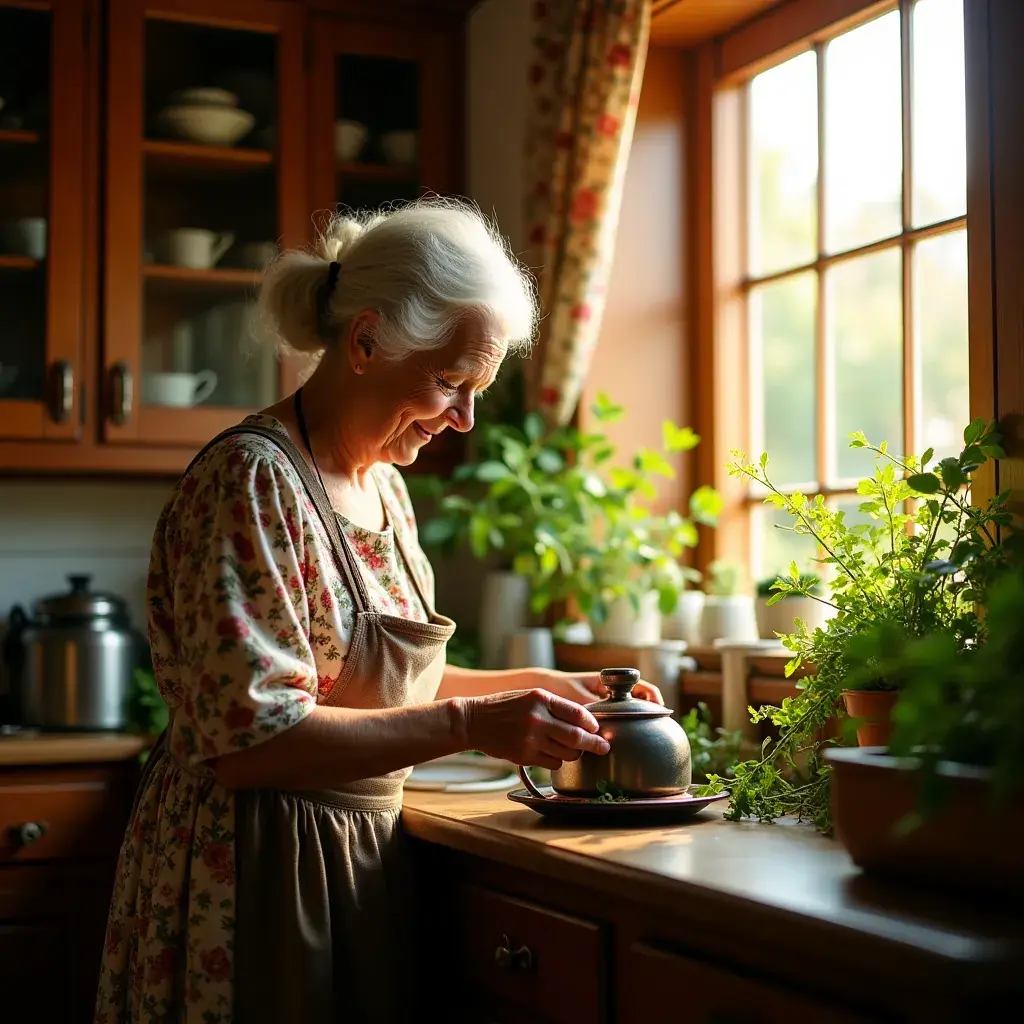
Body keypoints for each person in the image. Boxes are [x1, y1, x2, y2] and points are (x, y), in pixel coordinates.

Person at [94, 198, 663, 1024]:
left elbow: (385, 682)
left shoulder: (385, 488)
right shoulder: (253, 482)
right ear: (364, 343)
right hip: (250, 868)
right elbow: (250, 745)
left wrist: (544, 689)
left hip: (352, 859)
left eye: (479, 389)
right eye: (449, 382)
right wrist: (474, 722)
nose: (463, 420)